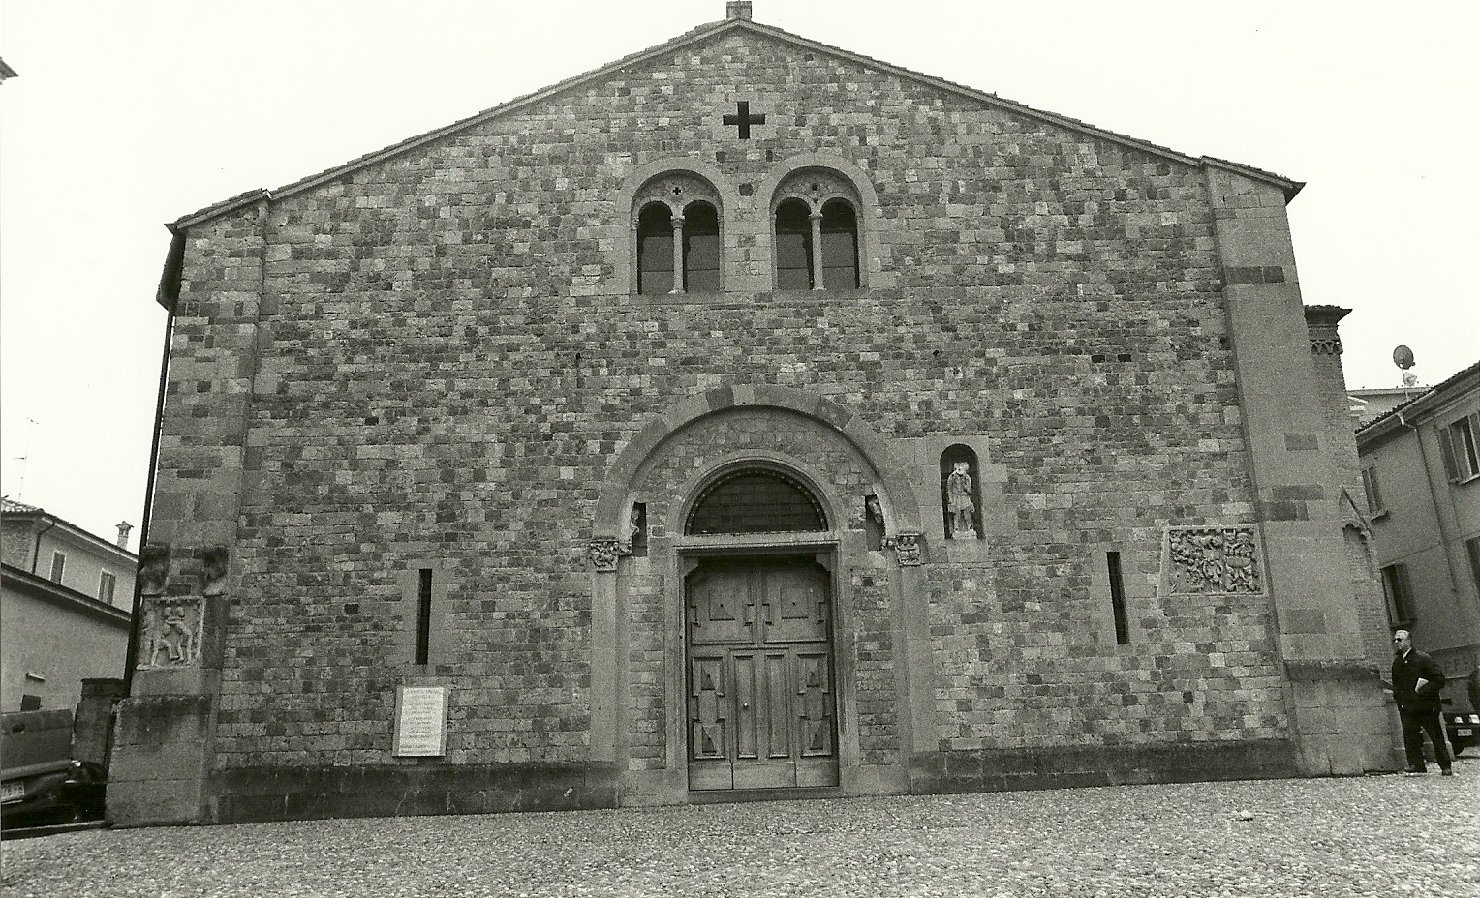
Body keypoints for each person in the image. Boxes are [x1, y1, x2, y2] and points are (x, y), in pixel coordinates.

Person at [1391, 629, 1453, 776]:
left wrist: (1423, 691)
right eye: (1395, 640)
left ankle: (1445, 765)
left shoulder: (1423, 658)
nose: (1397, 643)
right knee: (1410, 736)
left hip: (1426, 706)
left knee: (1435, 735)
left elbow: (1438, 679)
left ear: (1408, 641)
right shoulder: (1397, 662)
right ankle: (1417, 764)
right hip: (1408, 707)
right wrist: (1399, 698)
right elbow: (1397, 684)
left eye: (1400, 640)